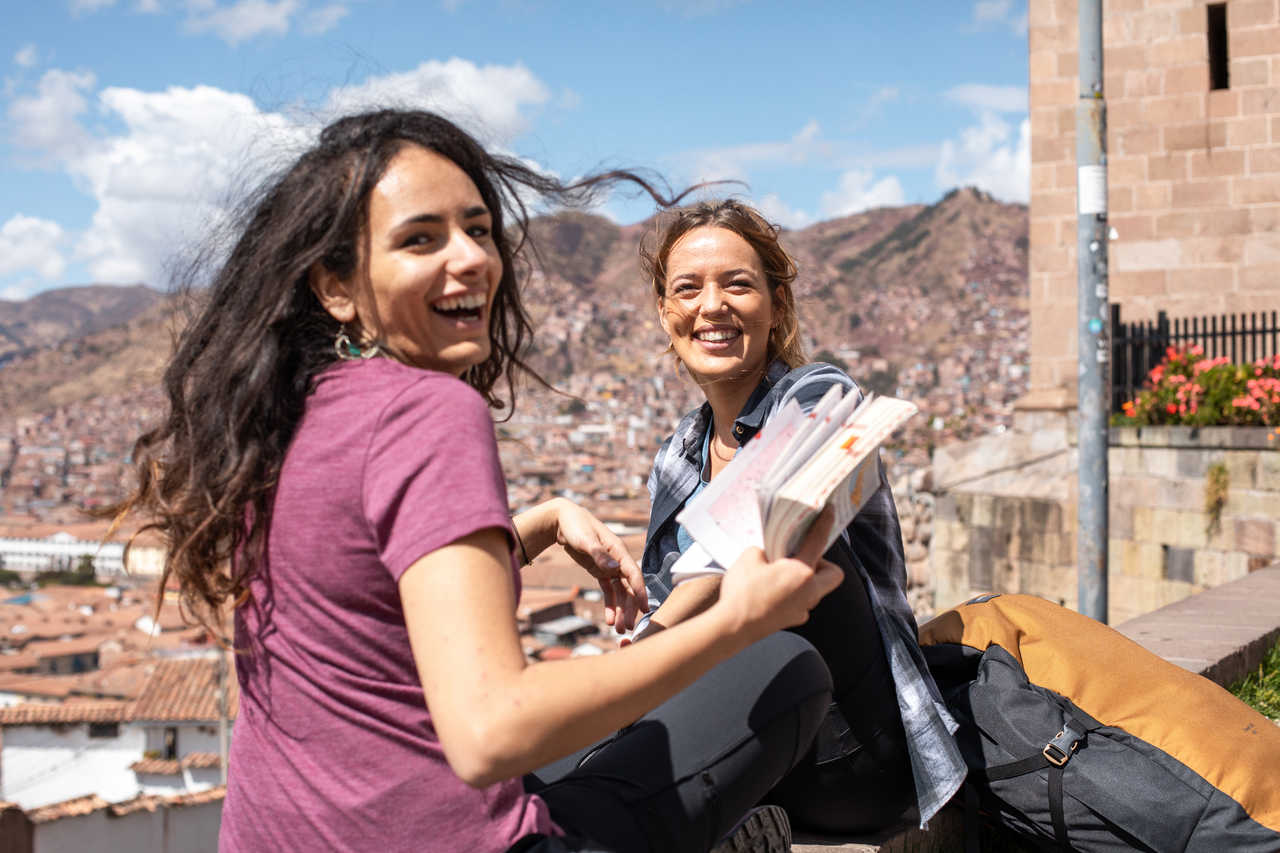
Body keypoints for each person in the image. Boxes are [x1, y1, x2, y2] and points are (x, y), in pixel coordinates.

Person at [112, 109, 847, 853]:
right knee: (783, 669)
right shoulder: (426, 409)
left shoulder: (278, 419)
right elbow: (491, 731)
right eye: (420, 239)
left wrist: (540, 521)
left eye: (478, 228)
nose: (471, 259)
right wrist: (738, 622)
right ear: (336, 285)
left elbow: (371, 590)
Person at [635, 199, 967, 835]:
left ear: (776, 305)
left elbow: (738, 542)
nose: (711, 306)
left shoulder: (822, 395)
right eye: (688, 289)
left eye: (737, 283)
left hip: (855, 751)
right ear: (665, 314)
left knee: (789, 531)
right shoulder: (678, 456)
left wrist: (636, 657)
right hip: (743, 744)